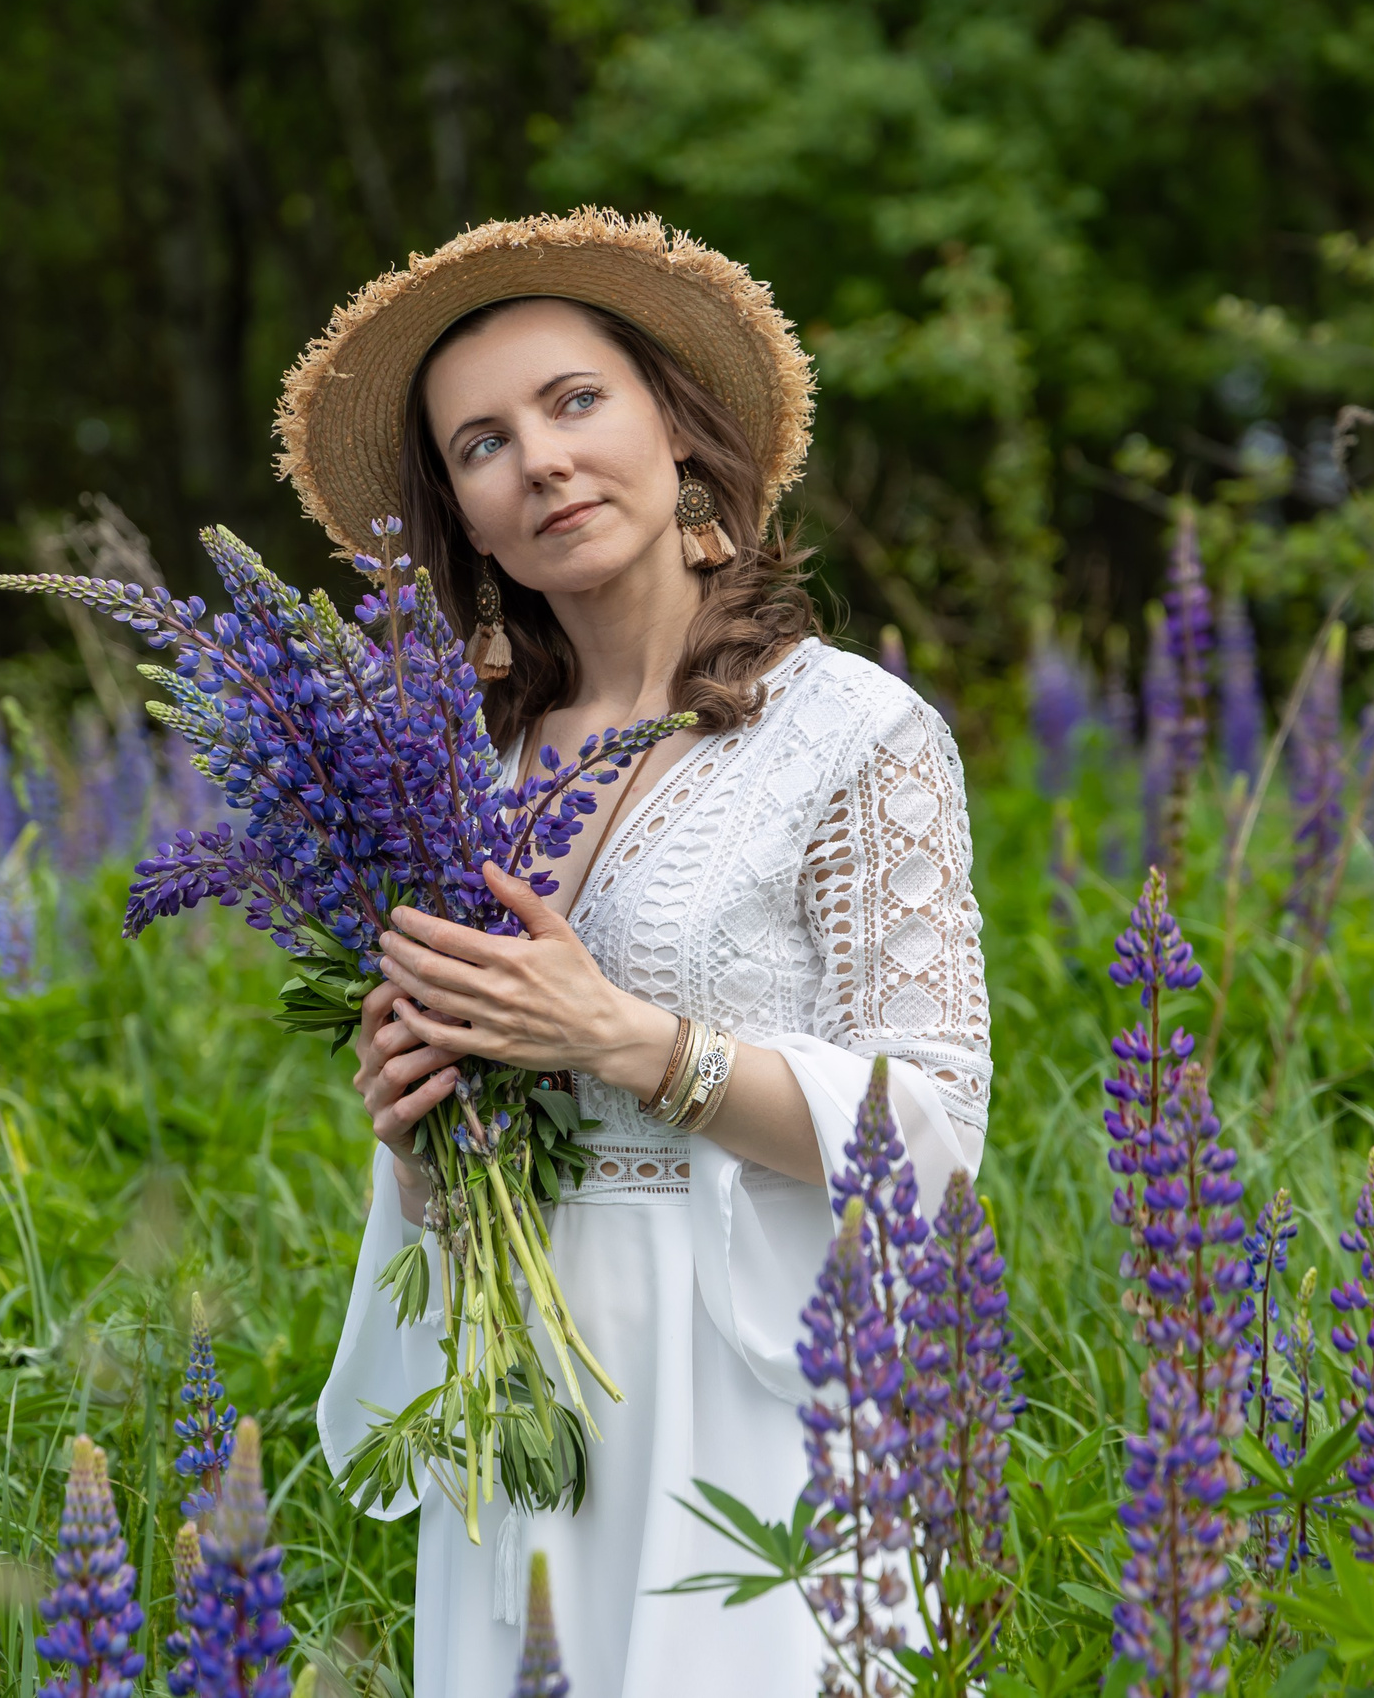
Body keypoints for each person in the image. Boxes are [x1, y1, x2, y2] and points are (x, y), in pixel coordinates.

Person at [287, 208, 991, 1697]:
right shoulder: (448, 773)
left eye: (574, 401)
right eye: (481, 444)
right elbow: (448, 1165)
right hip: (522, 1397)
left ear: (676, 426)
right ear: (461, 522)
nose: (539, 460)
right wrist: (416, 1130)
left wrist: (638, 1047)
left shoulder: (852, 731)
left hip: (749, 1393)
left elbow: (937, 1127)